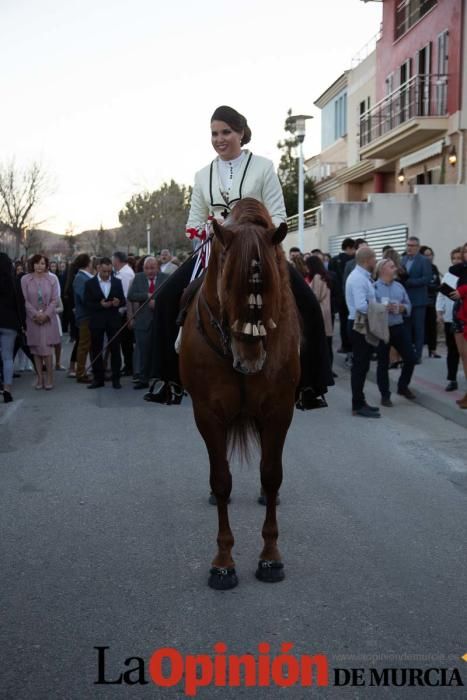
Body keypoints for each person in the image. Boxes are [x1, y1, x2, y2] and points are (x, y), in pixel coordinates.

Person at [146, 105, 333, 408]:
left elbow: (278, 215)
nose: (220, 139)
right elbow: (193, 223)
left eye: (226, 132)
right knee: (167, 298)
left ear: (241, 133)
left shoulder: (263, 167)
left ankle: (311, 385)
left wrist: (252, 233)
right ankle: (168, 381)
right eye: (214, 133)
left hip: (258, 250)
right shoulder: (202, 174)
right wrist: (209, 229)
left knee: (308, 304)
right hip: (216, 250)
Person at [374, 258, 417, 406]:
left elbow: (408, 305)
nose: (395, 269)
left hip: (398, 326)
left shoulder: (399, 286)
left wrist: (401, 308)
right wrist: (382, 308)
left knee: (411, 358)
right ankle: (385, 395)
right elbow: (369, 309)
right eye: (391, 267)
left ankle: (402, 386)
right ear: (382, 270)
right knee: (383, 363)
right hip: (382, 329)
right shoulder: (373, 288)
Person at [345, 247, 380, 418]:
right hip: (359, 324)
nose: (376, 262)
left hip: (360, 323)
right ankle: (357, 404)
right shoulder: (359, 278)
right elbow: (361, 306)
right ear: (367, 260)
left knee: (363, 365)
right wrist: (379, 311)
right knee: (360, 366)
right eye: (374, 258)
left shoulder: (362, 276)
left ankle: (360, 400)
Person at [84, 257, 125, 389]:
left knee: (115, 350)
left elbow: (123, 300)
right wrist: (100, 305)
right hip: (97, 321)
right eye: (104, 271)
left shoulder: (117, 282)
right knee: (96, 349)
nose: (107, 274)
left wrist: (118, 303)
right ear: (98, 268)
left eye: (109, 271)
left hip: (113, 320)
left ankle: (116, 378)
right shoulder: (89, 283)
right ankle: (98, 379)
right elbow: (86, 303)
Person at [21, 254, 60, 389]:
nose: (39, 266)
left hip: (48, 319)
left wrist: (46, 314)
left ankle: (49, 377)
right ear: (32, 264)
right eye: (37, 263)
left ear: (46, 265)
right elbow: (24, 300)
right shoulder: (25, 279)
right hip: (33, 320)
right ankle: (39, 378)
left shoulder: (52, 279)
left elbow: (55, 299)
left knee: (47, 350)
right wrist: (35, 314)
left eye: (42, 263)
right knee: (36, 350)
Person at [127, 256, 167, 389]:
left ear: (158, 268)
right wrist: (146, 296)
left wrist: (159, 303)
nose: (149, 271)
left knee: (161, 350)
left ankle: (163, 378)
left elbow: (172, 295)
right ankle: (143, 378)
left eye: (152, 268)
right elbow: (131, 295)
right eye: (147, 268)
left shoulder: (166, 278)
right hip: (143, 322)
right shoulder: (138, 278)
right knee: (143, 350)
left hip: (160, 321)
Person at [400, 236, 432, 363]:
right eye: (408, 245)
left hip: (419, 300)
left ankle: (417, 355)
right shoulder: (403, 259)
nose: (409, 248)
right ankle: (407, 354)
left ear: (418, 247)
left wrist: (409, 282)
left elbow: (427, 278)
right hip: (405, 300)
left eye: (412, 245)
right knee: (406, 329)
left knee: (418, 329)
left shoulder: (424, 260)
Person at [436, 247, 462, 391]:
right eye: (454, 258)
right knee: (452, 350)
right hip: (449, 318)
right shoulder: (448, 275)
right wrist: (439, 312)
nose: (456, 261)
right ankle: (452, 379)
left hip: (463, 318)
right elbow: (441, 295)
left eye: (459, 258)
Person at [305, 255, 334, 373]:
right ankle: (328, 368)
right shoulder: (325, 276)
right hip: (327, 310)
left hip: (320, 311)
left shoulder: (317, 277)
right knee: (328, 343)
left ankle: (323, 370)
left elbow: (315, 296)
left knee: (321, 343)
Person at [329, 237, 356, 356]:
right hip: (351, 294)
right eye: (354, 248)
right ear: (349, 248)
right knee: (352, 320)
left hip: (340, 296)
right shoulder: (354, 261)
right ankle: (352, 345)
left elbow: (330, 277)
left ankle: (345, 345)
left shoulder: (334, 260)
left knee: (343, 321)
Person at [0, 253, 20, 402]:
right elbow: (19, 305)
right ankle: (7, 389)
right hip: (9, 323)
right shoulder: (13, 282)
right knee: (7, 358)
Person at [449, 242, 467, 408]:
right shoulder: (462, 268)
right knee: (463, 355)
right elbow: (452, 270)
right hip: (459, 312)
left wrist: (462, 291)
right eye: (466, 252)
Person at [112, 251, 135, 376]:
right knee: (125, 342)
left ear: (117, 260)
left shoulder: (125, 274)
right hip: (123, 311)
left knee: (126, 342)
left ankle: (129, 366)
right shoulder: (122, 272)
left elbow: (126, 295)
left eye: (113, 260)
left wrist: (122, 311)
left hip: (124, 312)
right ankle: (128, 365)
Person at [72, 253, 94, 383]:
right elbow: (84, 297)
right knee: (84, 344)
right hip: (85, 315)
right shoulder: (80, 278)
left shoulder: (84, 277)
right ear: (87, 263)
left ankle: (84, 370)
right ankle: (80, 372)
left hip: (88, 315)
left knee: (87, 344)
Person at [420, 245, 441, 358]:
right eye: (426, 255)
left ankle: (432, 349)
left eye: (430, 255)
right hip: (422, 301)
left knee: (432, 326)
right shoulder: (420, 268)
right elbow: (423, 283)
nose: (429, 257)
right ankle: (418, 348)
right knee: (421, 326)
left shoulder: (434, 268)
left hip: (433, 301)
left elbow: (437, 282)